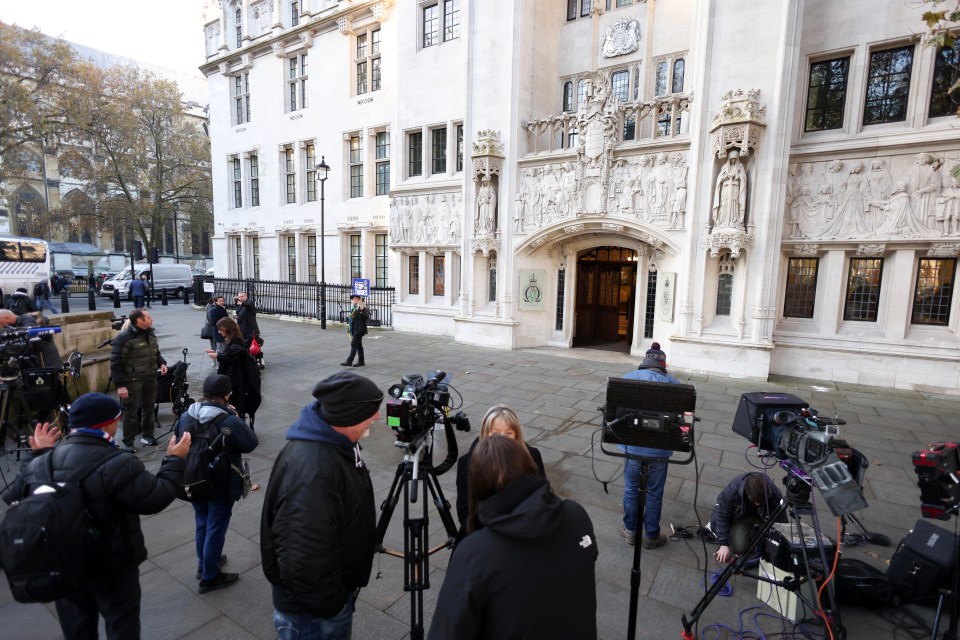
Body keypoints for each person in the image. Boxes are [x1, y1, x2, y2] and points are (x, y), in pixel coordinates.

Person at [2, 392, 191, 639]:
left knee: (77, 627)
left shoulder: (42, 463)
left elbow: (12, 495)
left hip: (64, 558)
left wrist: (38, 455)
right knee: (121, 622)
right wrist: (174, 460)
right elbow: (156, 497)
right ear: (109, 424)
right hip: (111, 564)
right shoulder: (119, 462)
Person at [429, 435, 598, 639]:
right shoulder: (577, 517)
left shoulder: (475, 553)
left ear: (477, 487)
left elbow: (447, 630)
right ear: (530, 466)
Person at [260, 371, 383, 640]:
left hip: (323, 600)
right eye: (371, 412)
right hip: (312, 614)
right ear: (347, 417)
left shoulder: (335, 443)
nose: (377, 417)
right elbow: (301, 560)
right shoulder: (314, 472)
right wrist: (334, 605)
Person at [175, 374, 258, 593]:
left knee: (202, 520)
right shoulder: (228, 420)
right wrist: (237, 418)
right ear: (227, 394)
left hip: (193, 478)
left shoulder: (186, 416)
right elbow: (250, 443)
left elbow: (178, 439)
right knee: (216, 526)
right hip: (221, 481)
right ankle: (210, 576)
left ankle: (204, 564)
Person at [619, 341, 681, 549]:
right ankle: (651, 535)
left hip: (633, 446)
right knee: (654, 492)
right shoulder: (675, 385)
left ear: (644, 361)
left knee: (631, 488)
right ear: (664, 364)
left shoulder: (628, 378)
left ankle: (630, 531)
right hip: (659, 449)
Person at [455, 404, 546, 536]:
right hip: (486, 535)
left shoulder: (531, 456)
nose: (502, 438)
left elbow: (542, 498)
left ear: (516, 435)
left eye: (508, 433)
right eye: (495, 433)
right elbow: (465, 514)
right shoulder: (467, 463)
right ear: (485, 433)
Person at [110, 309, 167, 451]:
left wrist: (162, 362)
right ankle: (128, 442)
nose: (151, 319)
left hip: (150, 376)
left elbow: (155, 352)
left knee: (149, 408)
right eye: (148, 317)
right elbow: (116, 363)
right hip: (132, 379)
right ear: (139, 321)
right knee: (131, 411)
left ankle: (148, 435)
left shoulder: (151, 334)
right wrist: (120, 385)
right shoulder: (124, 337)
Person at [711, 472, 785, 564]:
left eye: (762, 502)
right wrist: (723, 544)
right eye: (756, 502)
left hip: (763, 517)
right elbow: (722, 515)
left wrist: (781, 542)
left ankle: (756, 535)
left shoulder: (775, 494)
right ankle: (750, 536)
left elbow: (781, 519)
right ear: (748, 495)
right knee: (736, 545)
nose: (758, 504)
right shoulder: (732, 492)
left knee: (770, 542)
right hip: (741, 516)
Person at [206, 317, 262, 425]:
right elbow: (230, 355)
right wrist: (217, 354)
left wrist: (217, 355)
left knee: (237, 404)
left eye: (220, 329)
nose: (219, 332)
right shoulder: (233, 338)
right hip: (235, 376)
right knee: (235, 403)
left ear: (227, 328)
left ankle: (240, 427)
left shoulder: (236, 340)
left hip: (237, 377)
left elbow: (234, 356)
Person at [235, 291, 263, 369]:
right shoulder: (240, 303)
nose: (240, 298)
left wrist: (242, 303)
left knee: (254, 345)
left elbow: (248, 305)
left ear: (245, 296)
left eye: (241, 296)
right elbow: (239, 312)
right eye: (239, 297)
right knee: (245, 345)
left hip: (250, 329)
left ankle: (257, 360)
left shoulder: (249, 302)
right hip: (242, 328)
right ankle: (248, 360)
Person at [340, 294, 370, 367]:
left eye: (356, 298)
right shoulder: (354, 308)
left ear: (360, 300)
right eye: (353, 298)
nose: (354, 299)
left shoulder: (362, 308)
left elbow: (366, 316)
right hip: (354, 329)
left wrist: (362, 308)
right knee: (359, 345)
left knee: (354, 344)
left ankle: (349, 361)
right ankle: (361, 361)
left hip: (359, 330)